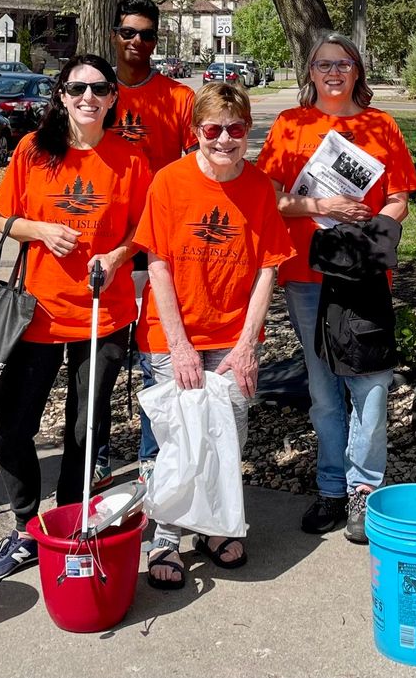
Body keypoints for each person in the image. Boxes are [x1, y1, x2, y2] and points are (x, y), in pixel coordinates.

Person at [0, 54, 151, 583]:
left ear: (112, 99)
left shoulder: (130, 159)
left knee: (85, 428)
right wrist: (40, 231)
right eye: (77, 88)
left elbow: (142, 230)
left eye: (99, 89)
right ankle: (26, 524)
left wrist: (116, 258)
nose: (88, 98)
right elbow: (0, 215)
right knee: (11, 426)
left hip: (104, 312)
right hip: (37, 313)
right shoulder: (34, 151)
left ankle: (72, 519)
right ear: (61, 94)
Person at [257, 32, 416, 543]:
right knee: (324, 389)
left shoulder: (380, 125)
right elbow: (273, 200)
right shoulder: (290, 125)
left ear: (357, 71)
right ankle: (331, 487)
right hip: (306, 277)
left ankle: (363, 491)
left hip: (364, 276)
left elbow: (400, 198)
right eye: (324, 64)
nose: (333, 72)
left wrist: (371, 232)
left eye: (343, 64)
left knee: (370, 385)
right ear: (310, 71)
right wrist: (324, 207)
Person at [135, 82, 295, 589]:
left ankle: (212, 525)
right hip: (172, 332)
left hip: (232, 335)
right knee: (179, 439)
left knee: (228, 436)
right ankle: (166, 532)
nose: (224, 139)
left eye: (236, 129)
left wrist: (248, 346)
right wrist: (180, 346)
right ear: (195, 132)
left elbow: (268, 269)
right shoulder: (168, 182)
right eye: (213, 129)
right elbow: (157, 266)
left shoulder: (259, 187)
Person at [96, 0, 197, 488]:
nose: (137, 42)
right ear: (114, 35)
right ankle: (94, 453)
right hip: (107, 245)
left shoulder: (179, 98)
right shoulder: (93, 90)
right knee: (101, 358)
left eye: (147, 34)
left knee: (156, 359)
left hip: (159, 247)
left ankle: (154, 459)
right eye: (128, 32)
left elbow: (201, 166)